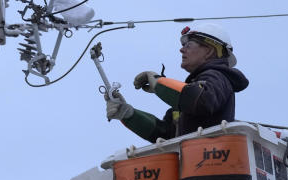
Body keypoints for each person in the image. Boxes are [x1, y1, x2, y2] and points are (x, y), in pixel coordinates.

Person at [106, 23, 249, 142]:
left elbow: (202, 100)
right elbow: (166, 134)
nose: (182, 49)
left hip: (210, 168)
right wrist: (128, 114)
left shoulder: (218, 76)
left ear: (209, 51)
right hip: (192, 167)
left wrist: (159, 83)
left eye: (188, 44)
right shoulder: (190, 94)